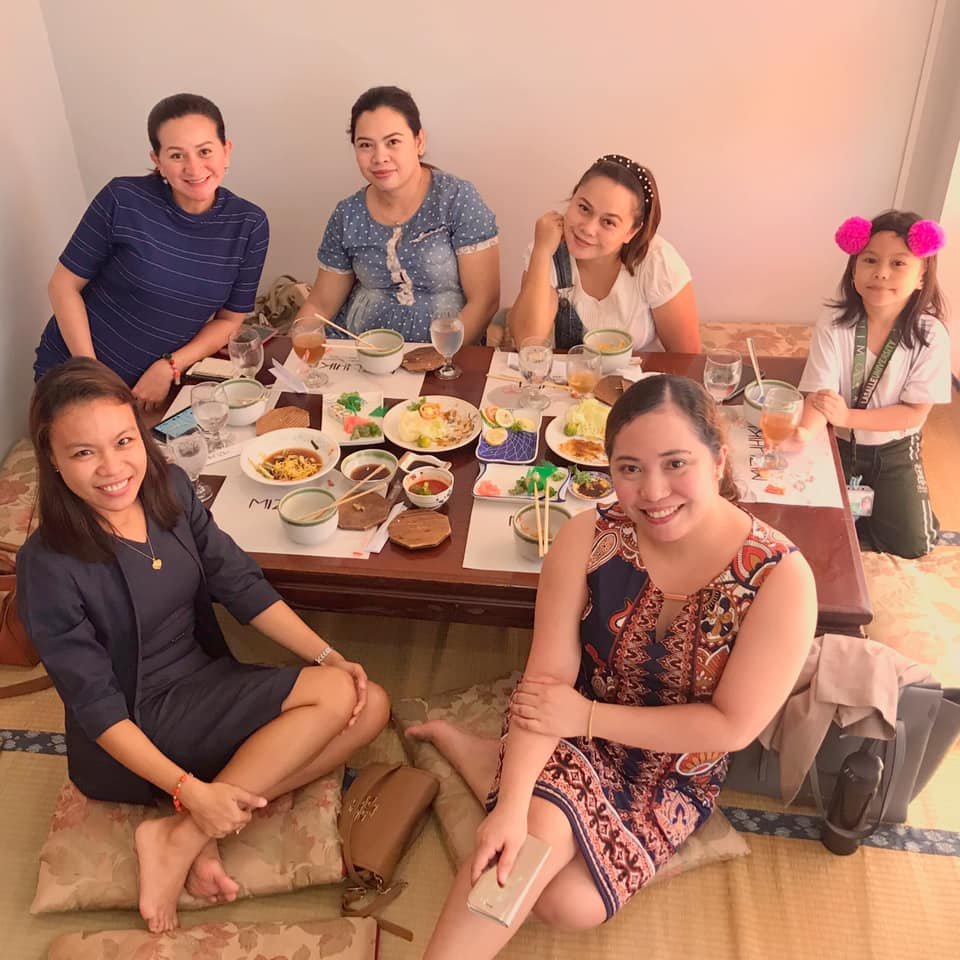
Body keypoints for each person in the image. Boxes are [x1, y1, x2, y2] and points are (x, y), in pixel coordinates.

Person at [407, 375, 815, 957]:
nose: (652, 491)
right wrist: (515, 808)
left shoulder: (780, 578)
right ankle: (506, 782)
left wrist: (588, 717)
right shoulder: (587, 537)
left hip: (675, 763)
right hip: (563, 731)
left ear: (719, 457)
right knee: (529, 839)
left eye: (676, 463)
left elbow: (731, 727)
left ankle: (479, 756)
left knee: (570, 905)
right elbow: (545, 682)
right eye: (629, 468)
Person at [17, 358, 390, 934]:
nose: (113, 468)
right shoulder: (47, 564)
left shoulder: (165, 489)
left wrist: (328, 655)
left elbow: (237, 582)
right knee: (337, 699)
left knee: (371, 705)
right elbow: (97, 707)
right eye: (83, 452)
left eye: (123, 441)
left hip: (202, 684)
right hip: (135, 724)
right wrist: (185, 786)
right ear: (53, 460)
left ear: (142, 435)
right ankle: (190, 813)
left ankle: (184, 832)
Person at [34, 93, 269, 409]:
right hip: (75, 371)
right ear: (157, 161)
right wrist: (92, 374)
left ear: (226, 151)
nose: (194, 167)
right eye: (176, 156)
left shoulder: (249, 224)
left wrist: (171, 365)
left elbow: (229, 320)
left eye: (205, 151)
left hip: (160, 385)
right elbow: (62, 286)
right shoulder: (123, 199)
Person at [793, 211, 951, 558]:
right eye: (870, 260)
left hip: (895, 451)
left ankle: (883, 514)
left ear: (922, 275)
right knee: (811, 533)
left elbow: (912, 414)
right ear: (853, 270)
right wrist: (802, 434)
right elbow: (821, 398)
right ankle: (863, 521)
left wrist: (848, 416)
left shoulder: (931, 335)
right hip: (839, 445)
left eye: (899, 263)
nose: (881, 272)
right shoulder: (834, 322)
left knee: (914, 544)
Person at [295, 85, 500, 344]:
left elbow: (485, 300)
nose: (380, 157)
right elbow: (321, 305)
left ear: (419, 141)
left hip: (444, 351)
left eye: (393, 142)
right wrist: (299, 345)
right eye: (365, 145)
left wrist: (435, 357)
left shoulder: (456, 198)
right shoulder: (347, 214)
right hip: (360, 349)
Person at [508, 155, 700, 352]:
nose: (588, 229)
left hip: (640, 381)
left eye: (608, 222)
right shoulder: (547, 247)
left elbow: (686, 359)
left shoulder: (658, 262)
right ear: (573, 198)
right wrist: (541, 252)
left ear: (631, 232)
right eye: (583, 208)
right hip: (570, 380)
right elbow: (528, 342)